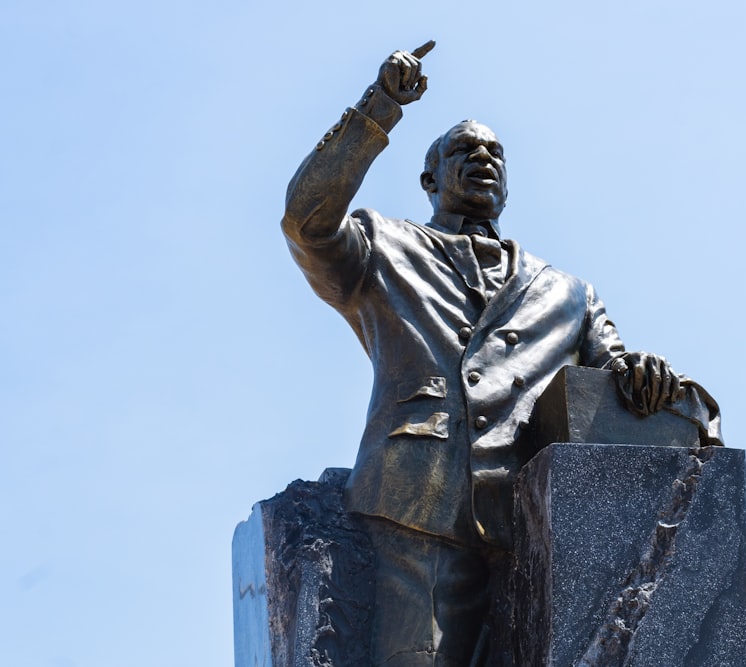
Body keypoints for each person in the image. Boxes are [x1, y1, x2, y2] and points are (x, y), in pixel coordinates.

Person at [281, 42, 716, 667]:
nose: (482, 157)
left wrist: (647, 376)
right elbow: (306, 222)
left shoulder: (568, 291)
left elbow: (614, 376)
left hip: (537, 523)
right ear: (430, 179)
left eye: (494, 153)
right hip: (417, 510)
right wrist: (380, 108)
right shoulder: (386, 246)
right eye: (463, 149)